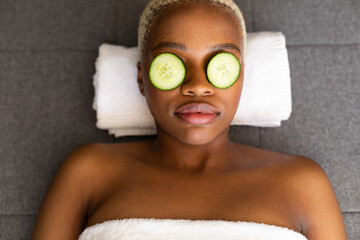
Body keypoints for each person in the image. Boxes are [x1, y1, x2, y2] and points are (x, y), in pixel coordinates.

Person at [31, 0, 347, 239]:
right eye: (173, 64)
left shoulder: (304, 182)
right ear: (142, 79)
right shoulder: (88, 171)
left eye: (220, 65)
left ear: (241, 79)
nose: (198, 85)